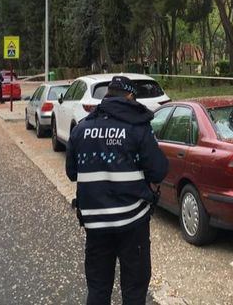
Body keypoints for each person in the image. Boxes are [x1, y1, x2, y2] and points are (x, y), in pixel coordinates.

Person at [66, 76, 168, 305]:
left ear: (108, 96)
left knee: (98, 289)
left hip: (96, 225)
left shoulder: (81, 129)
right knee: (133, 290)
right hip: (133, 223)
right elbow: (159, 171)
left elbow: (72, 173)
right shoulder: (138, 128)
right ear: (131, 97)